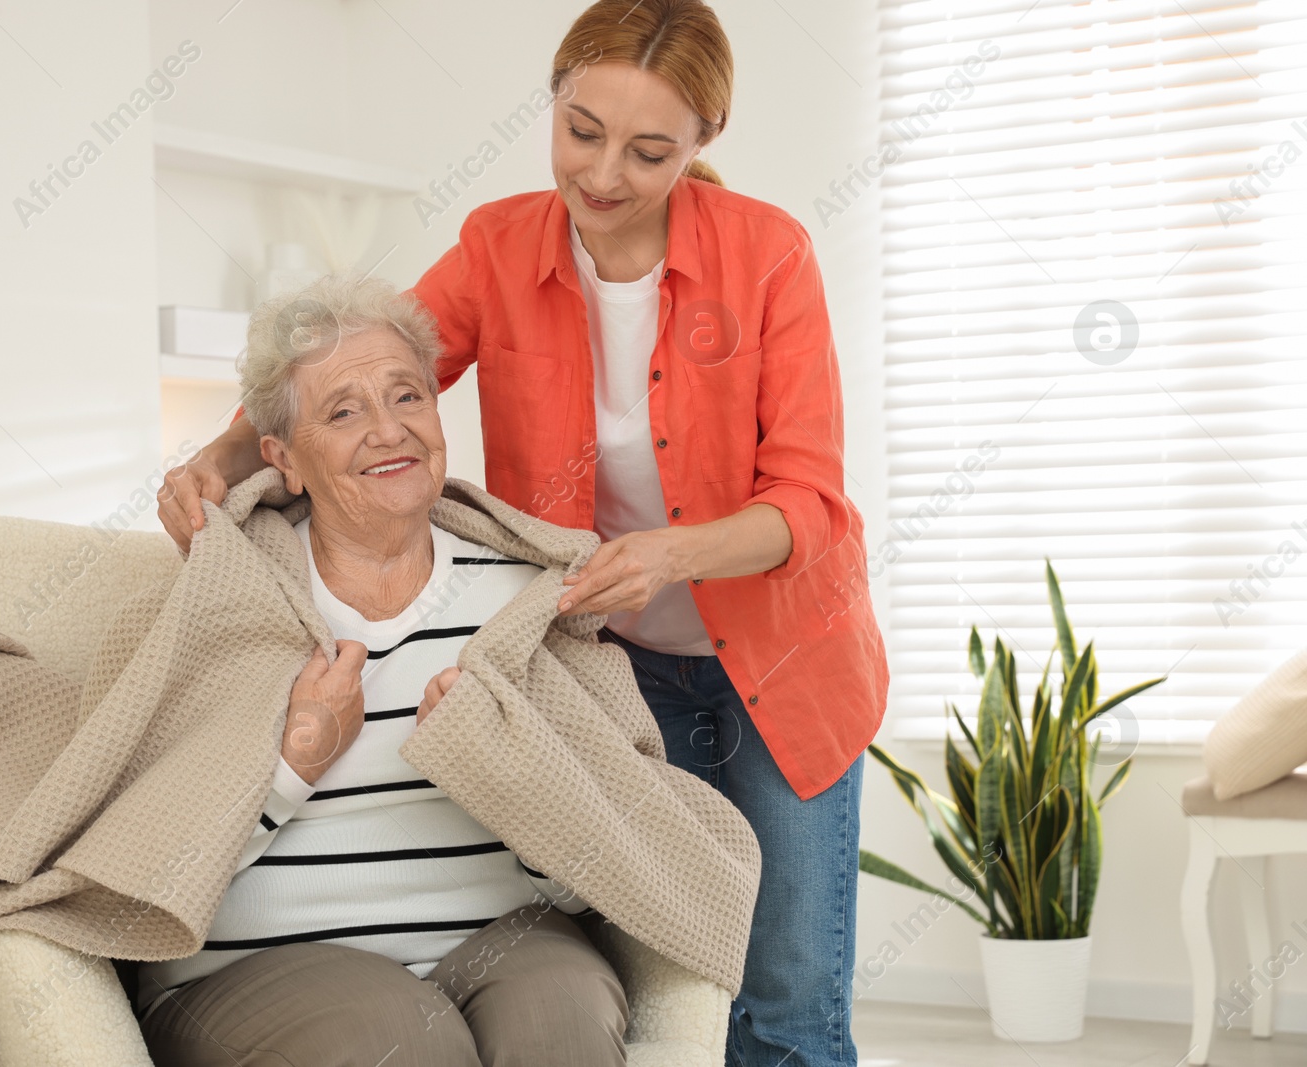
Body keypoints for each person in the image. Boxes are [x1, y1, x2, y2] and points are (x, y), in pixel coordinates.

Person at [157, 2, 888, 1064]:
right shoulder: (499, 246)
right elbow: (361, 362)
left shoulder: (767, 255)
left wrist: (667, 554)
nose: (600, 174)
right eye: (580, 130)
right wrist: (219, 460)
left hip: (786, 664)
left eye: (648, 151)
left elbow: (810, 505)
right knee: (677, 971)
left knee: (784, 1001)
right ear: (552, 101)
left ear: (701, 145)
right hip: (621, 670)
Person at [139, 273, 628, 1067]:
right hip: (254, 967)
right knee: (404, 1043)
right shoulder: (228, 594)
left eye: (407, 397)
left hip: (498, 936)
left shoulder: (523, 598)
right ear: (282, 459)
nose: (388, 430)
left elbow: (601, 874)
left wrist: (518, 784)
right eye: (342, 410)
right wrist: (294, 763)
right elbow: (146, 864)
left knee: (564, 1023)